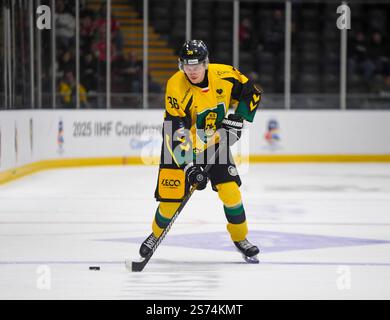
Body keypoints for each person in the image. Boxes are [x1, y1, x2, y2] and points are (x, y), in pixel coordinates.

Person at [138, 40, 263, 262]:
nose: (192, 71)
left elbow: (252, 92)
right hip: (179, 145)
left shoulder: (225, 75)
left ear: (206, 63)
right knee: (170, 201)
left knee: (231, 192)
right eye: (187, 66)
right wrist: (188, 166)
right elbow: (175, 129)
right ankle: (154, 235)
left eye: (196, 66)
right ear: (181, 65)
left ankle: (240, 238)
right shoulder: (175, 86)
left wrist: (238, 119)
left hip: (214, 142)